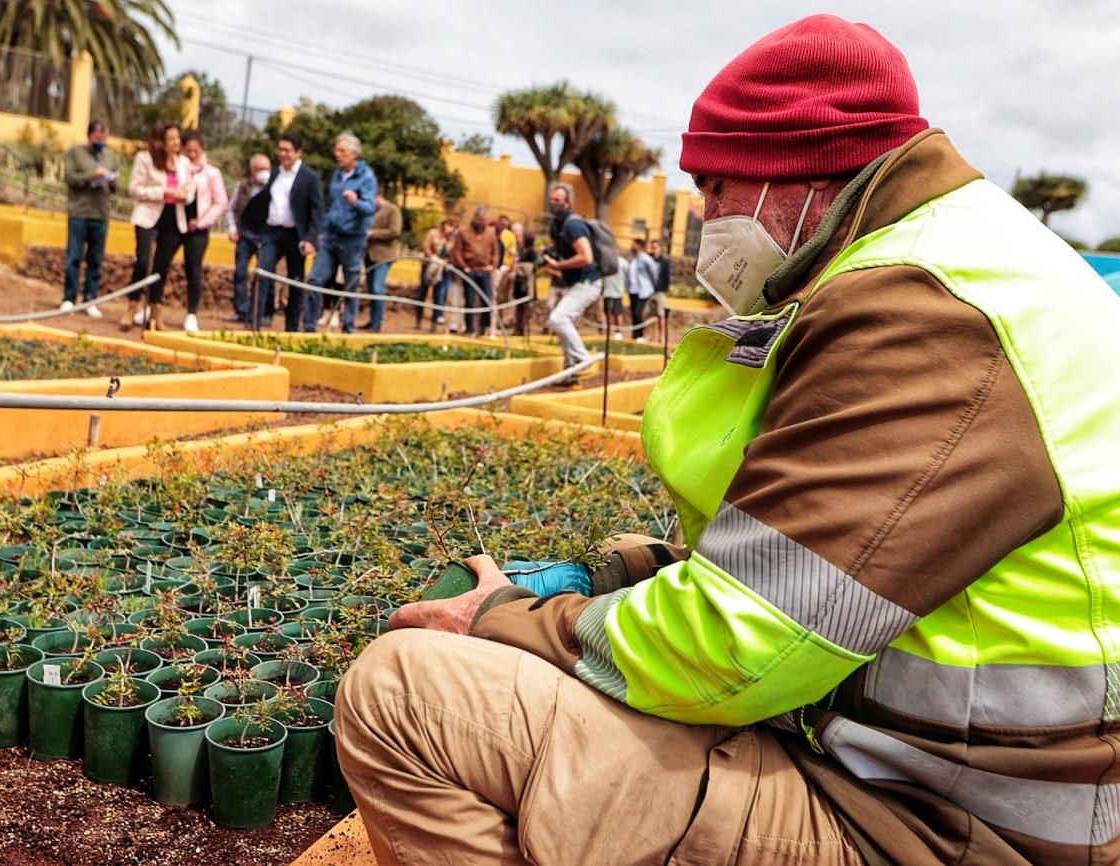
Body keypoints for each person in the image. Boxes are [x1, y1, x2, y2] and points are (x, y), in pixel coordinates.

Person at [336, 14, 1120, 866]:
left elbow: (730, 650)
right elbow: (840, 564)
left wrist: (504, 619)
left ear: (806, 177)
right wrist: (629, 570)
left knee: (401, 691)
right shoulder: (976, 262)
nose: (707, 219)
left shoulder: (924, 313)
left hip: (935, 824)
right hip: (938, 774)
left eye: (717, 189)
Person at [245, 132, 323, 332]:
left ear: (298, 152)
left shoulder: (310, 178)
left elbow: (316, 211)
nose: (282, 154)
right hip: (272, 233)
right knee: (262, 274)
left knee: (295, 281)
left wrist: (310, 238)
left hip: (295, 236)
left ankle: (292, 328)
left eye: (287, 150)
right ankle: (253, 324)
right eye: (280, 149)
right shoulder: (275, 174)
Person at [124, 121, 195, 331]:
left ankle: (155, 313)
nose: (176, 142)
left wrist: (185, 196)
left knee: (161, 267)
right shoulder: (144, 159)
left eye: (177, 138)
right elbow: (134, 189)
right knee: (143, 261)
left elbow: (190, 189)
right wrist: (162, 192)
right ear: (160, 141)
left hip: (174, 218)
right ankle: (132, 306)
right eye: (171, 139)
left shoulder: (183, 162)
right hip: (148, 216)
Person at [305, 132, 377, 334]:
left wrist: (356, 201)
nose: (337, 154)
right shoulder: (337, 175)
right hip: (330, 238)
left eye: (342, 151)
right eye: (336, 150)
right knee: (316, 280)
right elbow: (331, 205)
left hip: (353, 240)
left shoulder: (366, 176)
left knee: (350, 286)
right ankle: (309, 327)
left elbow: (370, 207)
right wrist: (322, 231)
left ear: (354, 153)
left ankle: (349, 329)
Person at [540, 184, 602, 381]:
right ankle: (570, 374)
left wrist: (559, 266)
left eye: (557, 200)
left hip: (588, 282)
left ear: (568, 203)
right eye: (552, 199)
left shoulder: (573, 225)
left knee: (558, 319)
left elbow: (586, 257)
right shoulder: (556, 225)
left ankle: (584, 360)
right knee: (566, 327)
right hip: (576, 283)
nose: (553, 203)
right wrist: (552, 264)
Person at [61, 119, 119, 319]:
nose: (101, 140)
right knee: (74, 257)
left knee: (96, 260)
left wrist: (112, 181)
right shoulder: (75, 153)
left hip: (101, 214)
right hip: (79, 212)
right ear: (89, 136)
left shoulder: (111, 156)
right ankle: (69, 299)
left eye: (104, 137)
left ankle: (90, 299)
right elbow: (69, 178)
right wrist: (91, 176)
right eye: (97, 137)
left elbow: (116, 186)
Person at [176, 132, 228, 334]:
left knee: (193, 268)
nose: (191, 154)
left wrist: (200, 222)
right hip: (177, 224)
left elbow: (220, 202)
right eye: (187, 150)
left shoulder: (212, 173)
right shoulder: (178, 169)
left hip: (198, 229)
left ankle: (191, 313)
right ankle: (153, 306)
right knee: (161, 263)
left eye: (195, 150)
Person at [226, 153, 272, 325]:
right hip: (244, 236)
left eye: (266, 169)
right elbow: (231, 209)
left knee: (266, 276)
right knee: (240, 273)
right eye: (260, 169)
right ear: (252, 170)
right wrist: (232, 229)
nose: (264, 173)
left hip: (265, 238)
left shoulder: (274, 188)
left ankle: (265, 313)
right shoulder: (243, 186)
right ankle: (241, 311)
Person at [450, 206, 499, 337]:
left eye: (486, 220)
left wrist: (492, 266)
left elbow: (495, 252)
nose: (483, 222)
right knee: (470, 300)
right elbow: (457, 252)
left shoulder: (491, 233)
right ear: (476, 218)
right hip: (470, 270)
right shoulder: (463, 232)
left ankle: (483, 328)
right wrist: (464, 266)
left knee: (487, 299)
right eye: (481, 219)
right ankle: (470, 328)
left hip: (485, 270)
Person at [361, 192, 402, 332]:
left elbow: (395, 231)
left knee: (378, 288)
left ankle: (377, 323)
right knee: (371, 289)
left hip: (383, 256)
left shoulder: (392, 210)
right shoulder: (370, 211)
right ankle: (373, 320)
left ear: (378, 196)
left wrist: (374, 233)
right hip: (368, 255)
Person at [416, 218, 455, 331]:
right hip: (428, 266)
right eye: (448, 225)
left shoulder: (451, 241)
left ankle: (434, 323)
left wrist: (444, 261)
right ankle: (418, 320)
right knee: (422, 293)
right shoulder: (433, 233)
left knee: (438, 295)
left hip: (441, 270)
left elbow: (450, 254)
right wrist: (432, 257)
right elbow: (426, 245)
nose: (449, 228)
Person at [489, 214, 518, 337]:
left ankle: (497, 323)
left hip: (504, 267)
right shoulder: (491, 235)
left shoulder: (510, 236)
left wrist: (511, 268)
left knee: (500, 297)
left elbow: (513, 252)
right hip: (493, 269)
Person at [626, 237, 658, 341]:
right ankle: (635, 336)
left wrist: (651, 286)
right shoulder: (633, 258)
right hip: (633, 290)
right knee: (634, 313)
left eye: (633, 244)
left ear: (639, 246)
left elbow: (654, 273)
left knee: (638, 313)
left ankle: (640, 336)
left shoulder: (645, 258)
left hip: (643, 291)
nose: (631, 246)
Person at [511, 227, 537, 336]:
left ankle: (523, 327)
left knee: (525, 306)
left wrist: (518, 265)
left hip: (526, 283)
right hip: (519, 282)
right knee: (519, 305)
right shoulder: (520, 250)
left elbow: (531, 268)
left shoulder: (531, 252)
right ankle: (518, 326)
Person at [646, 237, 670, 342]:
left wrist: (663, 289)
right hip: (647, 291)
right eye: (652, 247)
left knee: (661, 314)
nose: (653, 249)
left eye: (655, 247)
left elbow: (667, 277)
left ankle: (662, 337)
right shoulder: (647, 259)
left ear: (660, 248)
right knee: (647, 314)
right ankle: (647, 335)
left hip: (660, 291)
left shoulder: (664, 262)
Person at [601, 253, 628, 340]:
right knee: (607, 313)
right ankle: (609, 331)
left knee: (617, 313)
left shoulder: (623, 262)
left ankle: (619, 332)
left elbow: (627, 276)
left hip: (617, 292)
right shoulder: (605, 261)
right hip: (607, 291)